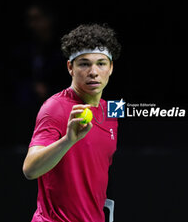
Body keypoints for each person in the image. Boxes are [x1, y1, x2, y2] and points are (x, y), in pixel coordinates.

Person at [22, 23, 121, 222]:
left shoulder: (111, 111)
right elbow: (30, 170)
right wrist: (68, 140)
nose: (93, 71)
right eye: (84, 63)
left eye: (101, 63)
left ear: (110, 68)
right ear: (70, 67)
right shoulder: (55, 107)